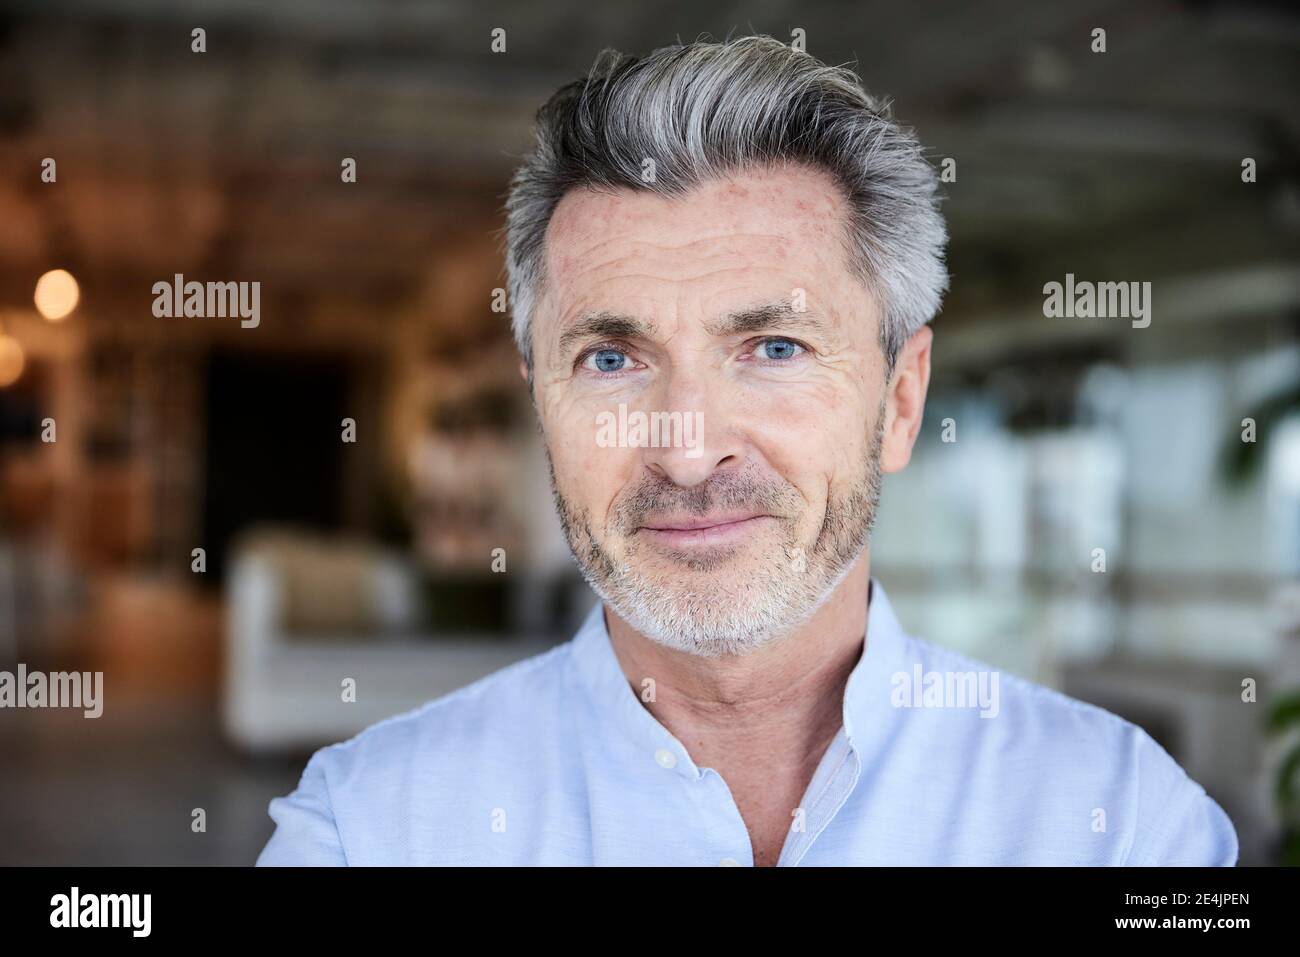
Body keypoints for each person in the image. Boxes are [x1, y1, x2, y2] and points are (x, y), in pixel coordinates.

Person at [257, 35, 1236, 866]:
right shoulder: (369, 832)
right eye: (610, 358)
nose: (686, 455)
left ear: (899, 402)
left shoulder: (1125, 829)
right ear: (542, 409)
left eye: (773, 349)